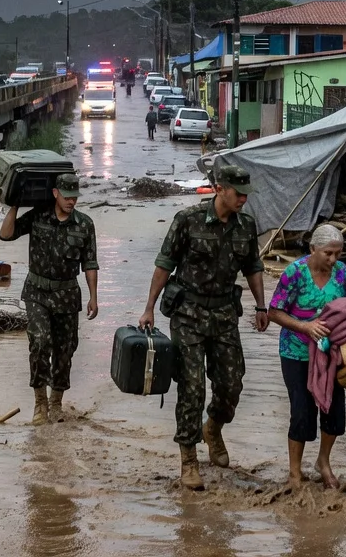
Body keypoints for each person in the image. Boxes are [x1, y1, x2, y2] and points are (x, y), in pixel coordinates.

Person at [139, 165, 269, 491]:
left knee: (231, 385)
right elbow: (164, 264)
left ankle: (213, 428)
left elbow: (253, 267)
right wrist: (149, 308)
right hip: (188, 314)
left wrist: (261, 305)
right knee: (192, 387)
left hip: (225, 314)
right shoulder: (188, 220)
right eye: (238, 193)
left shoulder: (246, 227)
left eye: (245, 194)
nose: (243, 199)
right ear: (219, 188)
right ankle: (189, 459)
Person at [0, 173, 99, 426]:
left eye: (74, 197)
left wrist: (93, 297)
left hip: (67, 295)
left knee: (65, 350)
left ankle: (56, 402)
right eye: (67, 197)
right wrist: (15, 204)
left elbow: (90, 264)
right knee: (40, 341)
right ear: (55, 193)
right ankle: (40, 403)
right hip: (37, 293)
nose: (71, 202)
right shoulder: (38, 216)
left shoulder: (84, 225)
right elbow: (6, 234)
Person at [267, 224, 346, 488]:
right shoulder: (294, 273)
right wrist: (305, 326)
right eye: (328, 253)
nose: (333, 260)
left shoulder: (342, 273)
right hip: (296, 351)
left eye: (337, 254)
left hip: (330, 352)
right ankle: (295, 471)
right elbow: (274, 312)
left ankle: (323, 462)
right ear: (313, 248)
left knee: (334, 411)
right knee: (302, 412)